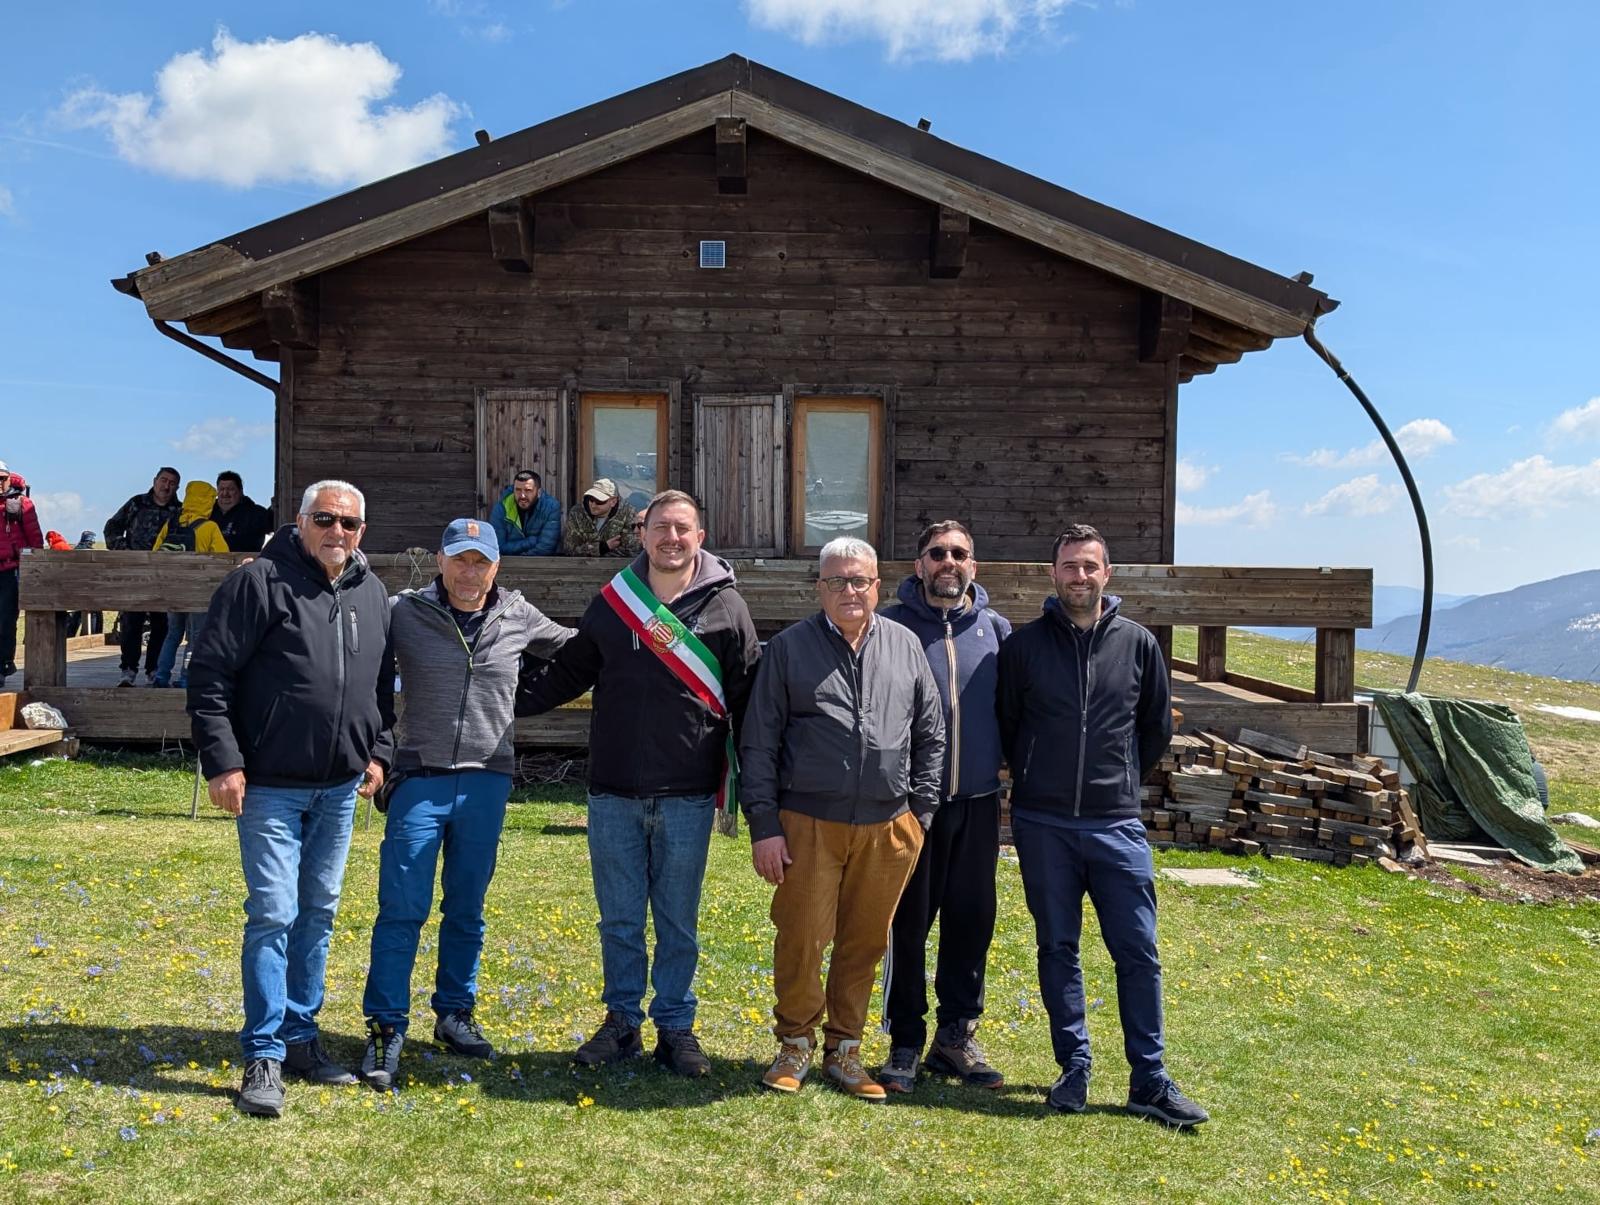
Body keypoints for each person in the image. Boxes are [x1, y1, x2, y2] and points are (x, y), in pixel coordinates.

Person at [516, 489, 760, 1076]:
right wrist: (494, 699)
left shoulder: (728, 608)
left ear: (700, 537)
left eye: (682, 528)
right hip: (613, 790)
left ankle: (675, 1027)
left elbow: (749, 697)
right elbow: (568, 674)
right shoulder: (613, 603)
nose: (671, 538)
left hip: (689, 791)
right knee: (620, 919)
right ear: (641, 535)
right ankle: (622, 1022)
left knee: (678, 922)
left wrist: (761, 784)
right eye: (660, 528)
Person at [188, 479, 395, 1119]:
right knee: (274, 913)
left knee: (319, 913)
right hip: (270, 786)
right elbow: (210, 674)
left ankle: (301, 1037)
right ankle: (264, 1053)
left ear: (362, 531)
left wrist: (379, 752)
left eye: (349, 523)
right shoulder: (257, 583)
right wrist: (223, 761)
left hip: (339, 788)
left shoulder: (372, 592)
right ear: (300, 521)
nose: (338, 532)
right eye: (325, 519)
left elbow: (381, 687)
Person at [996, 523, 1206, 1128]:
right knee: (1057, 947)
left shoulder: (1139, 644)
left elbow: (1154, 728)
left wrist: (1119, 779)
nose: (1080, 576)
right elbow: (1008, 723)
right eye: (1069, 566)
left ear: (1107, 574)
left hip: (1116, 824)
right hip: (1043, 823)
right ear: (1053, 574)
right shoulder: (1024, 647)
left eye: (1090, 566)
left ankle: (1150, 1079)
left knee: (1138, 951)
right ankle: (1074, 1066)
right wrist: (1036, 775)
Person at [359, 518, 573, 1090]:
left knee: (467, 907)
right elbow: (353, 638)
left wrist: (640, 634)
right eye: (460, 559)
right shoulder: (405, 611)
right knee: (402, 908)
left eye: (481, 562)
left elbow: (578, 650)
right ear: (440, 560)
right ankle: (385, 1025)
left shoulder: (518, 614)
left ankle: (455, 1012)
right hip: (419, 778)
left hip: (487, 780)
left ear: (497, 566)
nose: (469, 572)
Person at [740, 537, 945, 1102]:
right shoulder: (789, 649)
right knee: (803, 936)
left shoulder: (905, 645)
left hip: (889, 826)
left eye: (859, 581)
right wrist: (764, 826)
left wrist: (920, 815)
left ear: (877, 586)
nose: (849, 591)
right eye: (837, 581)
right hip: (808, 821)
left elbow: (931, 733)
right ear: (819, 589)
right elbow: (758, 743)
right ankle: (794, 1042)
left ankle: (846, 1049)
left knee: (865, 940)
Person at [877, 520, 1012, 1094]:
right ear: (919, 565)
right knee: (907, 925)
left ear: (973, 566)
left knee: (972, 921)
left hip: (978, 803)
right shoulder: (890, 626)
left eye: (959, 553)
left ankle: (955, 1038)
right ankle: (905, 1041)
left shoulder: (997, 631)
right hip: (913, 807)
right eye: (937, 553)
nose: (948, 562)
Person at [105, 467, 182, 686]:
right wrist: (124, 551)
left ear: (177, 487)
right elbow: (112, 527)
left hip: (164, 575)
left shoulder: (180, 511)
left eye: (172, 483)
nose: (166, 486)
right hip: (135, 572)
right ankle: (128, 670)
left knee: (161, 625)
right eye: (163, 480)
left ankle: (153, 670)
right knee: (131, 623)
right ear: (155, 481)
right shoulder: (136, 504)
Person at [152, 481, 230, 688]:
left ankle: (161, 676)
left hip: (173, 589)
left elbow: (155, 552)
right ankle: (187, 678)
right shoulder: (209, 527)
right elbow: (223, 557)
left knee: (172, 634)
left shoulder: (171, 523)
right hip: (198, 590)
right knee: (195, 638)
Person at [0, 461, 44, 689]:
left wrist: (37, 569)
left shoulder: (21, 504)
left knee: (5, 620)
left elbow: (35, 539)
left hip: (11, 570)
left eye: (2, 478)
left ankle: (2, 665)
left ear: (9, 478)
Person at [489, 469, 561, 556]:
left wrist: (524, 556)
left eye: (528, 490)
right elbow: (497, 547)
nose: (522, 495)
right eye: (518, 490)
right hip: (507, 563)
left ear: (539, 492)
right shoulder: (501, 508)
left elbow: (546, 547)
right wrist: (530, 542)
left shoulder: (551, 507)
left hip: (542, 563)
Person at [562, 478, 639, 557]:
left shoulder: (628, 513)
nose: (593, 505)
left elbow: (633, 550)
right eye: (591, 499)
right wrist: (602, 548)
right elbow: (569, 549)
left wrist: (590, 550)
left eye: (599, 501)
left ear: (613, 502)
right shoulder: (577, 513)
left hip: (617, 564)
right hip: (580, 564)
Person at [211, 471, 274, 554]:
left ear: (240, 491)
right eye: (221, 489)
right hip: (209, 561)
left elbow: (275, 525)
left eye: (230, 489)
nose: (225, 493)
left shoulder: (256, 514)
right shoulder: (207, 513)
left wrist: (275, 507)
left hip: (246, 561)